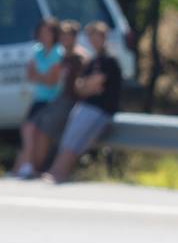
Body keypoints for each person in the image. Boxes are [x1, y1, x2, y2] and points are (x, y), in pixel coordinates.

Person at [44, 21, 121, 183]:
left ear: (104, 37)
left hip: (100, 109)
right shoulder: (94, 60)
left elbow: (95, 83)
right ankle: (57, 171)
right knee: (69, 140)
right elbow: (79, 86)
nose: (94, 40)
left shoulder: (109, 60)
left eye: (97, 37)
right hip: (86, 105)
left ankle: (58, 173)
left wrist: (88, 85)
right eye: (90, 37)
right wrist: (89, 85)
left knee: (74, 142)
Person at [13, 18, 65, 179]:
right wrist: (41, 76)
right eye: (41, 32)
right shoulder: (36, 50)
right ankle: (26, 166)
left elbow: (52, 81)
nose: (44, 35)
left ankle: (29, 166)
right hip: (39, 98)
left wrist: (39, 76)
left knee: (35, 131)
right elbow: (31, 75)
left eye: (48, 32)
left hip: (53, 99)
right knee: (28, 130)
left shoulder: (58, 52)